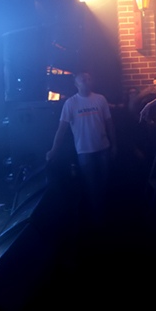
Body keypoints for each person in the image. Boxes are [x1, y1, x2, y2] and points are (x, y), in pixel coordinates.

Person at [47, 72, 117, 231]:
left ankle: (104, 220)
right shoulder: (71, 104)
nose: (87, 81)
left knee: (104, 185)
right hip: (84, 152)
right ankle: (98, 224)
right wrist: (53, 150)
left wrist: (114, 145)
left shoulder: (100, 99)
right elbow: (61, 130)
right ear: (76, 84)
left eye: (89, 78)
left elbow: (110, 124)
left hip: (103, 148)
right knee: (92, 188)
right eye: (83, 80)